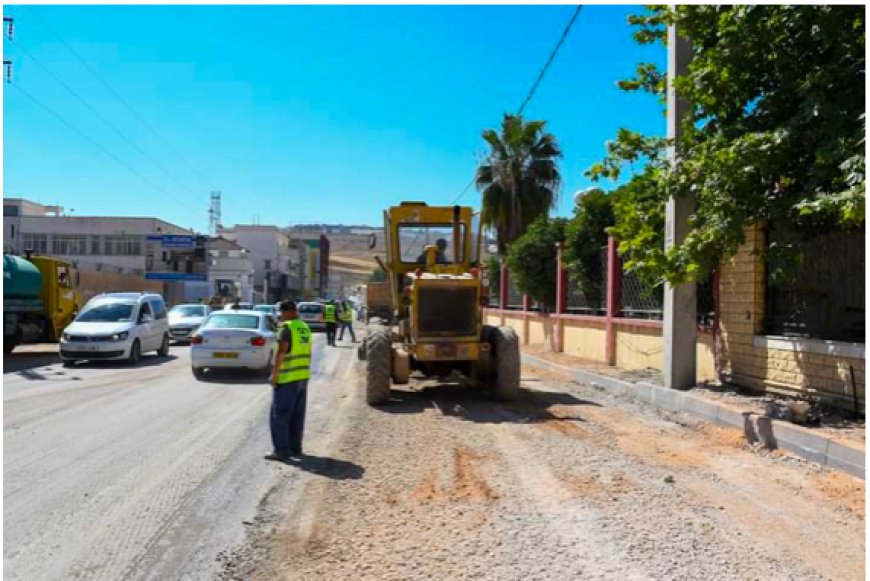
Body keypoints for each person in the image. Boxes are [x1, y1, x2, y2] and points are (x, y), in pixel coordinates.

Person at [265, 301, 312, 462]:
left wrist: (274, 375)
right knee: (297, 416)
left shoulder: (287, 328)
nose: (280, 315)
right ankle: (295, 448)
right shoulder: (304, 327)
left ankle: (281, 452)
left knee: (279, 417)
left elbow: (282, 352)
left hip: (287, 379)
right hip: (302, 377)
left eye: (281, 312)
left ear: (286, 312)